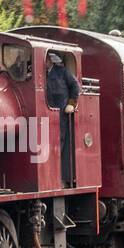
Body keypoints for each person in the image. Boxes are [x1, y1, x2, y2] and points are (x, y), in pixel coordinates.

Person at [45, 51, 80, 187]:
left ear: (49, 60)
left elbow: (75, 86)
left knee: (60, 142)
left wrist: (71, 104)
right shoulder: (40, 73)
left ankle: (60, 176)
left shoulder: (62, 71)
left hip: (61, 114)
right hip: (46, 114)